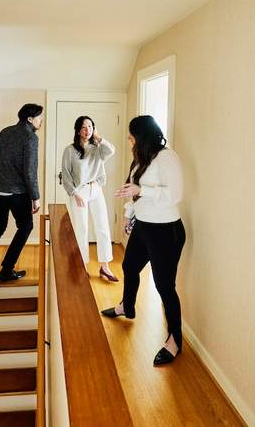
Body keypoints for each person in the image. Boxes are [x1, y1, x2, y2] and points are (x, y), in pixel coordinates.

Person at [101, 115, 186, 366]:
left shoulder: (167, 157)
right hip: (144, 226)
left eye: (131, 136)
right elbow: (133, 189)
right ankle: (127, 306)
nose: (129, 140)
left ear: (143, 135)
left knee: (164, 286)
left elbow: (175, 194)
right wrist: (129, 215)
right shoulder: (142, 158)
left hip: (166, 230)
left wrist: (141, 191)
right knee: (128, 267)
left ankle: (175, 340)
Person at [0, 103, 43, 286]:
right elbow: (29, 171)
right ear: (29, 119)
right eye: (39, 117)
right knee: (26, 226)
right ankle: (6, 270)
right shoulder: (30, 138)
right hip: (17, 192)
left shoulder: (5, 132)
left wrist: (2, 179)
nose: (40, 120)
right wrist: (35, 197)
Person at [60, 116, 118, 282]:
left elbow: (111, 150)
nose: (88, 130)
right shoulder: (70, 150)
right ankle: (82, 265)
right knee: (82, 228)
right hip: (80, 191)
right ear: (78, 130)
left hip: (96, 189)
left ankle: (105, 266)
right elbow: (66, 174)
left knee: (103, 227)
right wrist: (74, 193)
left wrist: (98, 137)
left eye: (91, 126)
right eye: (84, 127)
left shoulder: (97, 148)